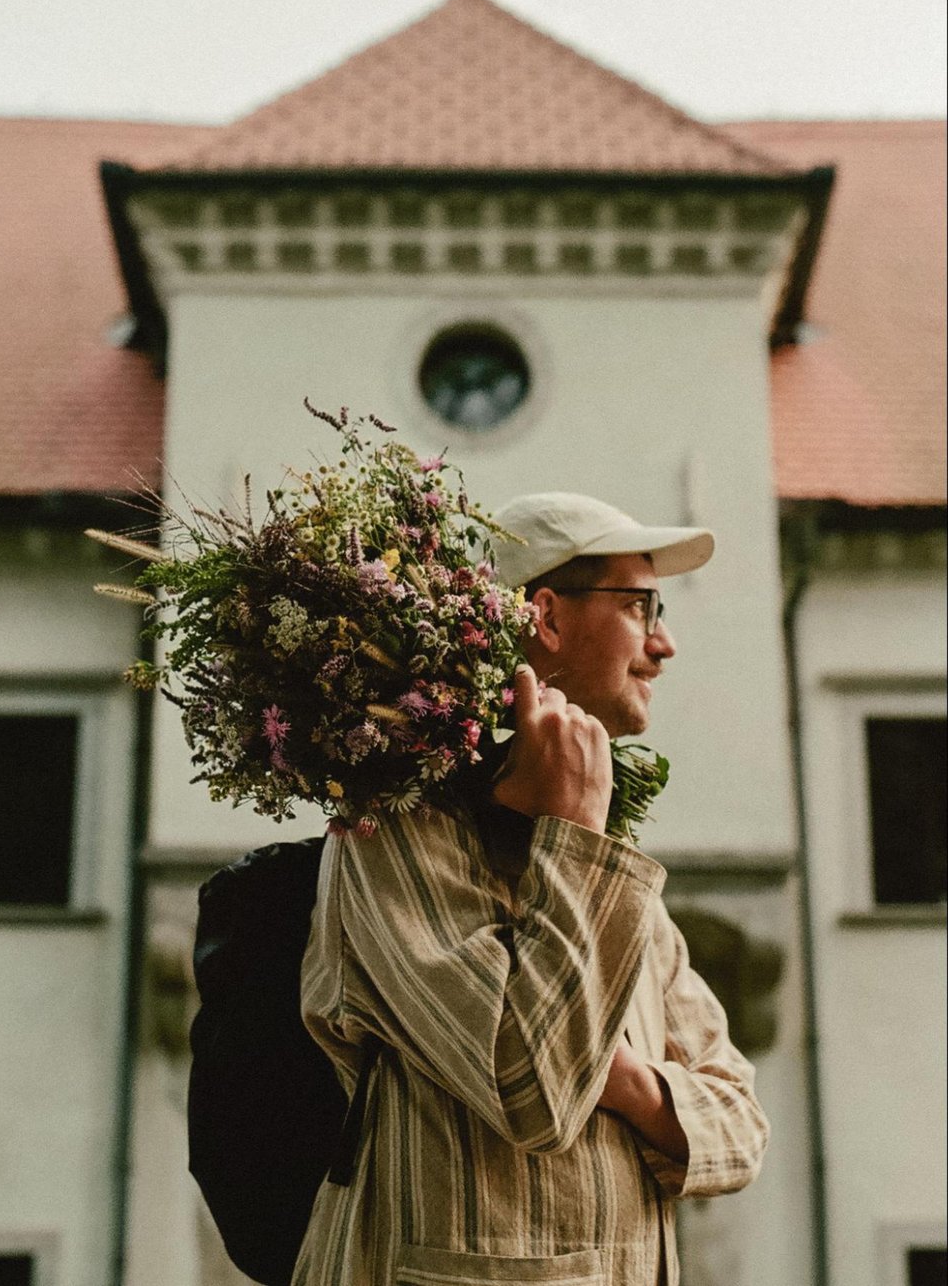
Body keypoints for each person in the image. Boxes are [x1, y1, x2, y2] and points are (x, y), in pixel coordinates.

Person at [295, 492, 769, 1286]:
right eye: (641, 606)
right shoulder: (396, 831)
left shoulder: (614, 859)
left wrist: (625, 1084)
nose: (666, 644)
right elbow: (534, 1094)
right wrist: (577, 831)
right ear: (546, 618)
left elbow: (742, 1126)